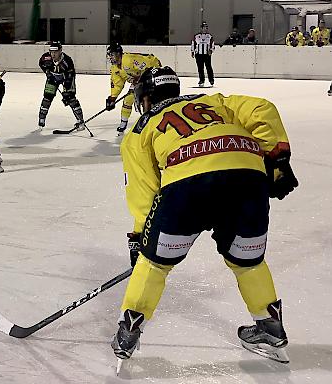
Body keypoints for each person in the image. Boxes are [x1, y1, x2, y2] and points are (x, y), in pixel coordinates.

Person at [112, 66, 298, 369]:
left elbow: (143, 191)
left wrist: (141, 241)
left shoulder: (139, 131)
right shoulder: (212, 101)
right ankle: (269, 327)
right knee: (247, 262)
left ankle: (128, 331)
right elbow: (263, 108)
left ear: (145, 98)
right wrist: (276, 157)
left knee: (155, 264)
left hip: (188, 185)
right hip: (247, 180)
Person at [106, 43, 161, 138]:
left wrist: (140, 79)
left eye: (112, 55)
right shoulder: (115, 68)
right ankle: (123, 124)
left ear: (118, 54)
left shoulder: (128, 59)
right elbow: (117, 84)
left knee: (148, 98)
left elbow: (148, 65)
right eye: (109, 55)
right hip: (139, 80)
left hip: (153, 71)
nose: (110, 57)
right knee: (128, 99)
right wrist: (112, 98)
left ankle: (152, 120)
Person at [38, 42, 85, 130]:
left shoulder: (67, 60)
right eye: (51, 52)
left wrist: (67, 90)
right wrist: (47, 72)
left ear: (60, 51)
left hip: (66, 78)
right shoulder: (46, 57)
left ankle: (80, 120)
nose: (53, 54)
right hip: (52, 78)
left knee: (71, 99)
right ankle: (41, 119)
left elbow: (70, 76)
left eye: (55, 52)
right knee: (47, 97)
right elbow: (41, 63)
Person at [191, 22, 215, 87]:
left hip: (207, 54)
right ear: (201, 28)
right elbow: (193, 44)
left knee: (209, 67)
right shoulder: (196, 36)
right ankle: (201, 80)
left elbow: (212, 45)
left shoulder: (209, 36)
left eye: (206, 27)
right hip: (198, 54)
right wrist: (192, 52)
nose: (205, 29)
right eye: (204, 27)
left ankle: (211, 80)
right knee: (200, 68)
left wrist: (211, 50)